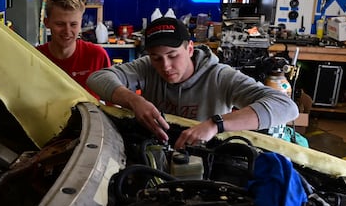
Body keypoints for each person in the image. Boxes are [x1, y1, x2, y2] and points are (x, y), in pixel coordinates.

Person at [87, 17, 298, 149]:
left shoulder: (220, 76)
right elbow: (97, 78)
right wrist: (134, 100)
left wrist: (216, 124)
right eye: (156, 57)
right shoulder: (147, 66)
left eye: (172, 55)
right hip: (155, 151)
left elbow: (286, 107)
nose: (165, 66)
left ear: (189, 48)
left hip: (206, 156)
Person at [36, 0, 111, 98]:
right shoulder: (35, 58)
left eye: (73, 24)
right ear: (46, 23)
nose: (67, 31)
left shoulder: (97, 56)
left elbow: (112, 105)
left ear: (81, 23)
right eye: (60, 24)